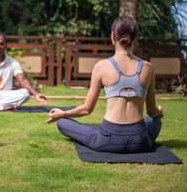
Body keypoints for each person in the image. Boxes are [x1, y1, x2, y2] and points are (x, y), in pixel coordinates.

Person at [47, 16, 163, 153]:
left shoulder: (101, 66)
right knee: (156, 121)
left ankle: (68, 121)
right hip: (140, 141)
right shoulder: (148, 68)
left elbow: (86, 109)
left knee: (63, 122)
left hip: (108, 141)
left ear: (113, 36)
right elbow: (152, 112)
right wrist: (159, 112)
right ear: (134, 37)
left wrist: (63, 113)